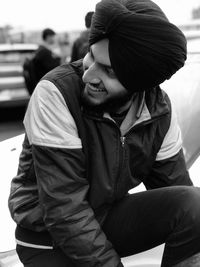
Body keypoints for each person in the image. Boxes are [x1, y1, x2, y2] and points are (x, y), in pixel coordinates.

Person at [8, 0, 200, 266]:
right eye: (91, 57)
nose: (89, 76)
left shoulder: (159, 110)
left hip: (106, 220)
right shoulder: (55, 93)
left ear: (139, 82)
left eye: (108, 70)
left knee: (195, 207)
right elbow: (65, 209)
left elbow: (177, 190)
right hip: (46, 236)